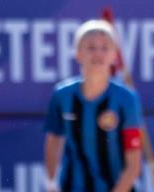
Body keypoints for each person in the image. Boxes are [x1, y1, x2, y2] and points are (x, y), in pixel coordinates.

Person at [43, 20, 144, 192]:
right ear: (77, 53)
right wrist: (51, 183)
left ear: (114, 55)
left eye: (105, 48)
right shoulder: (62, 95)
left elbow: (133, 164)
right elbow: (54, 140)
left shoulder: (126, 99)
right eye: (91, 47)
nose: (98, 54)